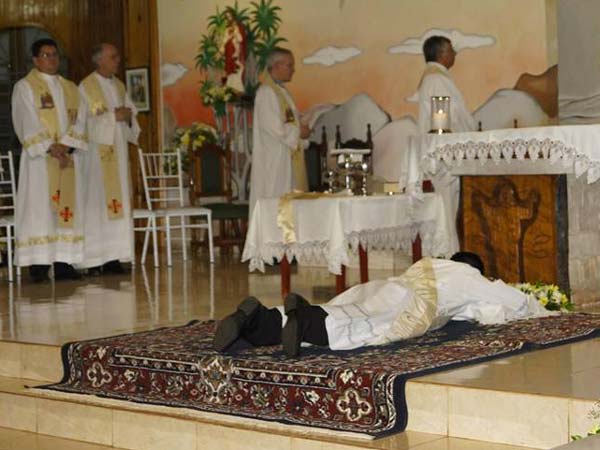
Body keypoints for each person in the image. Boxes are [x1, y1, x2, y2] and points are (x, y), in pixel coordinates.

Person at [214, 252, 550, 357]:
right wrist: (544, 308)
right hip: (413, 303)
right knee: (370, 326)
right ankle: (304, 321)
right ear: (474, 268)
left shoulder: (430, 263)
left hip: (387, 286)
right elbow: (512, 302)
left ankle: (258, 320)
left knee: (344, 307)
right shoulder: (469, 276)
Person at [11, 38, 88, 282]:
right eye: (46, 55)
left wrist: (66, 145)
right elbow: (25, 120)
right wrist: (51, 147)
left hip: (66, 158)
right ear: (35, 60)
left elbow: (81, 120)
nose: (52, 59)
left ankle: (64, 262)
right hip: (40, 161)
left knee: (66, 210)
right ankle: (39, 264)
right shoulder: (25, 87)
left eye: (55, 54)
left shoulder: (71, 88)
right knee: (40, 209)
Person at [78, 43, 140, 274]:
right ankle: (94, 259)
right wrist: (114, 117)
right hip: (96, 159)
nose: (118, 60)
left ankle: (114, 257)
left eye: (117, 56)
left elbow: (132, 117)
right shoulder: (86, 87)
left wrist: (128, 118)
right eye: (113, 57)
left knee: (117, 204)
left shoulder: (119, 86)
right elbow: (83, 124)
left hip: (119, 156)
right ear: (99, 60)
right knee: (96, 205)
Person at [249, 47, 310, 217]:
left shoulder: (281, 92)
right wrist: (299, 132)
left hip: (285, 158)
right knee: (275, 205)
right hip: (273, 162)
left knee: (288, 206)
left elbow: (289, 123)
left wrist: (301, 132)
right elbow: (275, 127)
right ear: (276, 66)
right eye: (289, 65)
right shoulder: (266, 93)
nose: (293, 69)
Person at [417, 36, 476, 134]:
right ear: (441, 54)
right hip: (445, 139)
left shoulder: (435, 77)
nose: (455, 54)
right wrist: (470, 130)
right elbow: (450, 113)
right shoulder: (436, 79)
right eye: (451, 50)